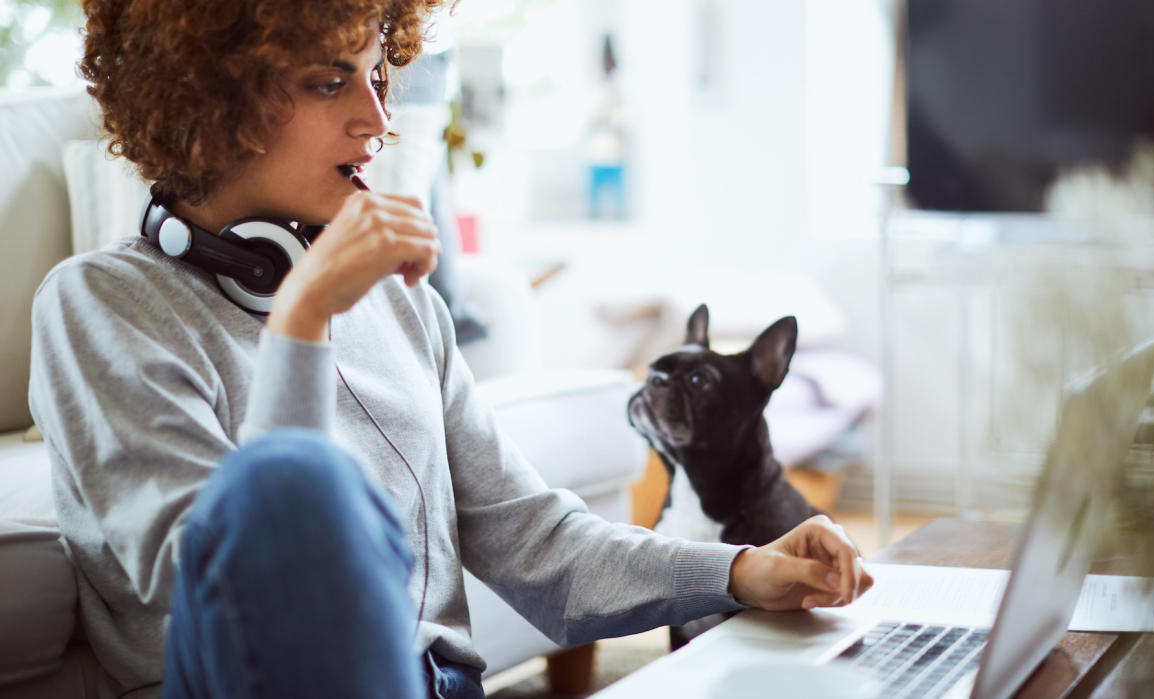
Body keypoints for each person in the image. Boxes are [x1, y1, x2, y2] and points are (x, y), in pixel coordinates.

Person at [28, 1, 873, 698]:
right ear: (206, 103)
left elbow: (539, 541)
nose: (379, 120)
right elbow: (225, 582)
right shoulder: (99, 305)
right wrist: (305, 317)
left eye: (379, 76)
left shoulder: (406, 311)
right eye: (331, 82)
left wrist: (739, 569)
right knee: (289, 485)